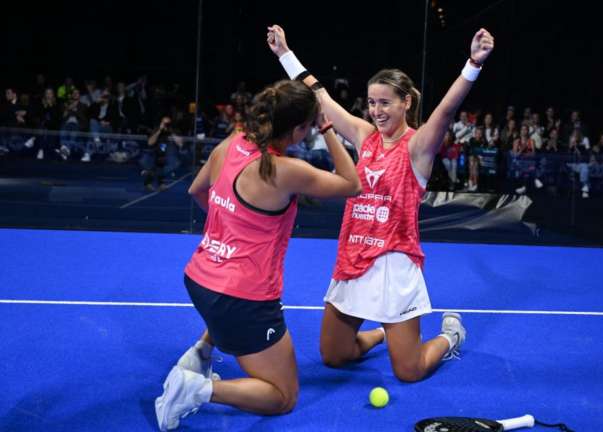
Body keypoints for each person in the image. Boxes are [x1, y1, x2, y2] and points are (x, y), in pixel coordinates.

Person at [267, 24, 494, 382]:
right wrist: (285, 54)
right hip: (353, 256)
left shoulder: (418, 148)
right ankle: (380, 335)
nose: (376, 111)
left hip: (394, 263)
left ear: (406, 102)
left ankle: (450, 337)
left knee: (409, 371)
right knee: (334, 356)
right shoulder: (365, 136)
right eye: (372, 102)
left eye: (385, 102)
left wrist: (473, 65)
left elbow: (446, 112)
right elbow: (321, 97)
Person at [154, 79, 361, 431]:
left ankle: (200, 354)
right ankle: (197, 389)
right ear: (297, 129)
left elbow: (197, 190)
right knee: (283, 396)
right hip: (241, 298)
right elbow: (351, 183)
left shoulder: (233, 143)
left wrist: (229, 231)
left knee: (227, 314)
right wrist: (327, 129)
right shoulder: (285, 170)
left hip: (199, 277)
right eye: (308, 125)